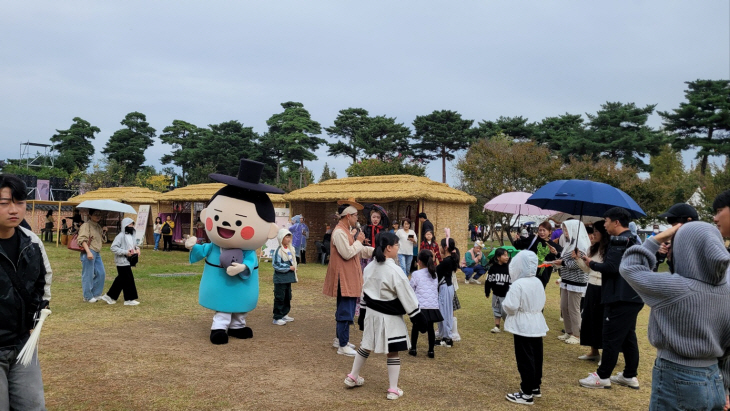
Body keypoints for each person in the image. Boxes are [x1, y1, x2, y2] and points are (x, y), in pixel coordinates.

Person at [620, 222, 730, 410]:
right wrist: (725, 387)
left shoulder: (676, 287)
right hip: (715, 380)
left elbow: (629, 267)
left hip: (676, 376)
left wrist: (656, 239)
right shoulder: (726, 291)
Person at [186, 159, 283, 345]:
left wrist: (241, 268)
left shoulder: (249, 251)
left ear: (270, 231)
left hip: (242, 285)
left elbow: (250, 261)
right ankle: (219, 327)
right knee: (223, 307)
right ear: (206, 215)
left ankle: (238, 325)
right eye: (216, 217)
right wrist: (193, 246)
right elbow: (203, 249)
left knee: (240, 308)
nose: (226, 225)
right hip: (220, 284)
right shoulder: (215, 245)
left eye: (239, 222)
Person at [343, 231, 426, 401]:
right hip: (390, 317)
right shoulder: (394, 270)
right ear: (388, 248)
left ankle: (352, 376)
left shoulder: (370, 267)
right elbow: (406, 294)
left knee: (365, 345)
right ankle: (393, 389)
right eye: (397, 245)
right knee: (393, 351)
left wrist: (363, 313)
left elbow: (364, 292)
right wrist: (417, 316)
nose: (398, 247)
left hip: (371, 314)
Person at [579, 207, 643, 390]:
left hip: (619, 297)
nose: (604, 225)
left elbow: (611, 267)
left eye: (606, 221)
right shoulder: (634, 239)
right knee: (628, 337)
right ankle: (629, 375)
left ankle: (602, 376)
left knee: (610, 338)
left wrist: (591, 263)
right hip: (632, 297)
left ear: (616, 222)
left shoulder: (619, 240)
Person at [0, 174, 49, 410]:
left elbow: (43, 281)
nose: (13, 210)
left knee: (34, 406)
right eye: (4, 203)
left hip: (22, 345)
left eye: (19, 203)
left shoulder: (32, 242)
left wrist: (38, 313)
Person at [323, 199, 374, 356]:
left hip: (348, 275)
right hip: (344, 277)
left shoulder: (346, 231)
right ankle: (342, 345)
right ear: (348, 216)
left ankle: (340, 340)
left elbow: (357, 251)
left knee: (346, 308)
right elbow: (347, 253)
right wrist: (359, 241)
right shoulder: (339, 232)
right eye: (355, 215)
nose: (357, 218)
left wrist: (376, 251)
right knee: (346, 310)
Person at [503, 251, 548, 405]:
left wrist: (508, 309)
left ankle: (526, 392)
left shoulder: (518, 284)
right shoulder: (538, 282)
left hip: (523, 324)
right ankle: (535, 386)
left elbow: (510, 305)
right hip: (536, 322)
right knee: (536, 355)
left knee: (525, 358)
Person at [553, 220, 590, 345]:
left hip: (577, 280)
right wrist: (558, 255)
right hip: (566, 279)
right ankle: (568, 331)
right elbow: (566, 259)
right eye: (564, 229)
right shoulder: (570, 243)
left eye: (567, 229)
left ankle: (577, 334)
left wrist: (562, 263)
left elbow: (578, 264)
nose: (565, 232)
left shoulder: (581, 245)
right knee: (564, 306)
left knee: (574, 308)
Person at [577, 221, 609, 362]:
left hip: (605, 287)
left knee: (603, 320)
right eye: (592, 231)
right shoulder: (592, 248)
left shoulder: (610, 250)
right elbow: (587, 269)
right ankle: (593, 351)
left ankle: (606, 354)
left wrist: (591, 263)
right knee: (590, 318)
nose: (593, 234)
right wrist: (578, 259)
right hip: (591, 286)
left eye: (596, 231)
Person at [408, 249, 443, 358]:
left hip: (421, 305)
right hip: (432, 306)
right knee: (431, 328)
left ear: (419, 261)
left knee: (415, 326)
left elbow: (411, 288)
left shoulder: (416, 274)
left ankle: (413, 348)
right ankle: (431, 351)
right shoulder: (435, 274)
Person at [99, 218, 140, 306]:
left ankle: (110, 296)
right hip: (122, 261)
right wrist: (125, 252)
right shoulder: (120, 236)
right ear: (125, 225)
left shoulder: (132, 235)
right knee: (128, 279)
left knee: (121, 279)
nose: (131, 226)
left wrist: (137, 249)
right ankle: (128, 299)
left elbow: (134, 245)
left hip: (129, 260)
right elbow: (113, 247)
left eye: (132, 224)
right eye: (129, 224)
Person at [512, 220, 562, 287]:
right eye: (540, 230)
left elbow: (561, 256)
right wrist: (516, 240)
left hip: (543, 276)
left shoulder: (553, 245)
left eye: (544, 230)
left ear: (550, 232)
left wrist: (555, 252)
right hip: (529, 274)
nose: (541, 232)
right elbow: (519, 245)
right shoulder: (533, 239)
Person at [78, 209, 106, 303]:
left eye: (99, 214)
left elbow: (101, 240)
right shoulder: (86, 225)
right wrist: (88, 252)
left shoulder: (98, 226)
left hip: (97, 252)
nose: (98, 216)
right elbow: (82, 240)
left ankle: (96, 293)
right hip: (89, 251)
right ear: (90, 215)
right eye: (95, 214)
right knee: (88, 275)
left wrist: (104, 231)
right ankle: (87, 296)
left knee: (101, 273)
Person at [436, 234, 459, 348]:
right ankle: (443, 336)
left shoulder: (447, 261)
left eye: (441, 245)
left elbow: (435, 272)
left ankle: (447, 338)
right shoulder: (449, 260)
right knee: (444, 312)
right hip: (446, 287)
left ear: (445, 247)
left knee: (445, 313)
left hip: (445, 288)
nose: (439, 247)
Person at [271, 228, 297, 325]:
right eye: (286, 236)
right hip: (280, 279)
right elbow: (276, 264)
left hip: (288, 279)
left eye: (289, 236)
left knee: (287, 296)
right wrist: (289, 267)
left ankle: (284, 314)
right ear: (281, 238)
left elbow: (293, 261)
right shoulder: (278, 251)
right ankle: (277, 317)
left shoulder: (290, 249)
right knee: (280, 297)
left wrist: (294, 268)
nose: (288, 239)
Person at [485, 247, 511, 333]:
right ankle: (497, 326)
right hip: (495, 294)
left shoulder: (509, 268)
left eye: (507, 255)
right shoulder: (493, 268)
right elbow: (488, 281)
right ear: (498, 257)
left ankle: (510, 325)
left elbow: (512, 283)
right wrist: (487, 291)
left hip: (506, 295)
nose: (507, 257)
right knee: (496, 309)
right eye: (504, 255)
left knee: (504, 311)